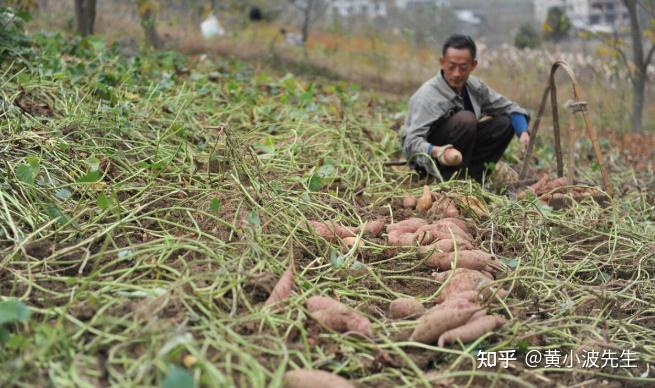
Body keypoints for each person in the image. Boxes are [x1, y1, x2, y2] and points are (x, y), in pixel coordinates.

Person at [401, 34, 531, 182]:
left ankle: (472, 178)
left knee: (505, 123)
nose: (456, 74)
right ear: (442, 63)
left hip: (463, 154)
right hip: (430, 161)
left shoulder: (475, 87)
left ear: (473, 65)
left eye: (463, 68)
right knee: (466, 120)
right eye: (451, 67)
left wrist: (523, 131)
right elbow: (410, 143)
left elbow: (509, 107)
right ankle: (445, 180)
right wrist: (437, 151)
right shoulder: (427, 96)